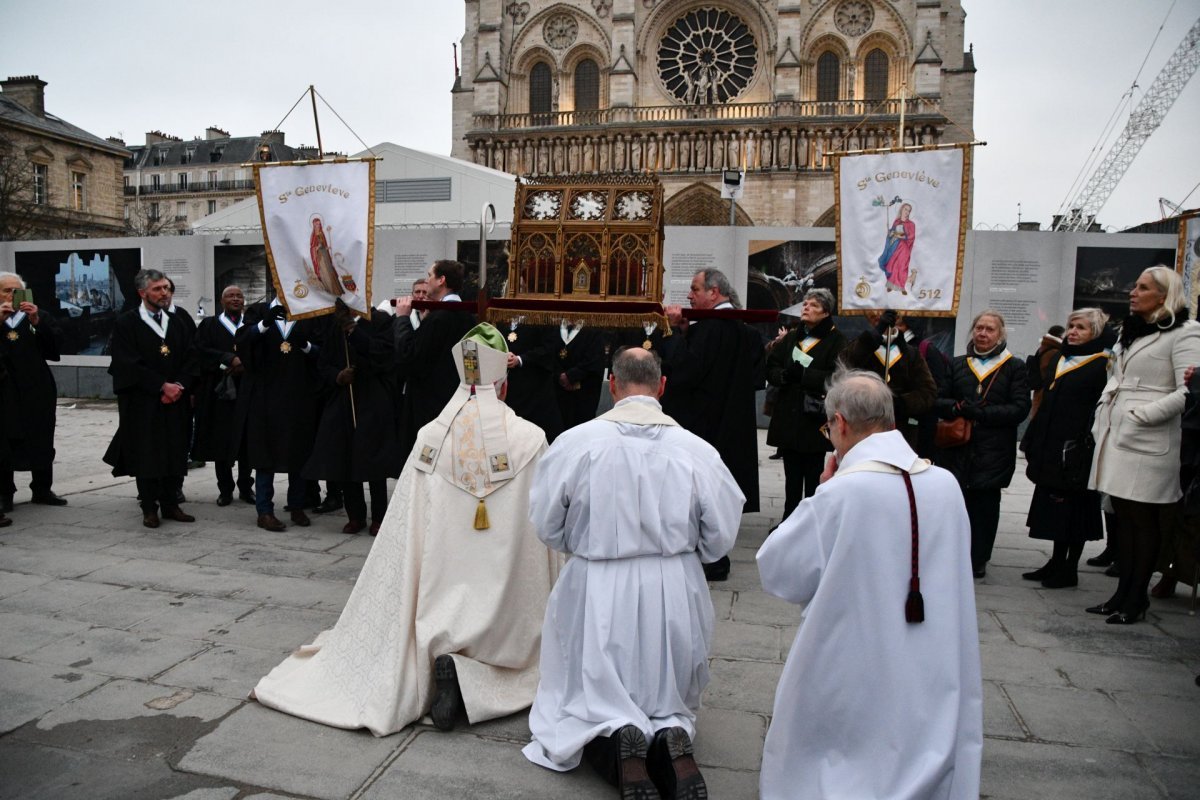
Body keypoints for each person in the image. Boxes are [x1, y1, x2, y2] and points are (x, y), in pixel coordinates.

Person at [254, 323, 560, 735]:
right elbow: (541, 523)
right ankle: (477, 674)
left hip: (438, 582)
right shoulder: (530, 438)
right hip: (504, 592)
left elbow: (406, 523)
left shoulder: (430, 437)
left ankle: (443, 658)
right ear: (503, 384)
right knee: (527, 648)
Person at [524, 347, 743, 799]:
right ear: (662, 386)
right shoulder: (697, 450)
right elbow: (720, 537)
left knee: (592, 685)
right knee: (666, 683)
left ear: (611, 384)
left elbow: (546, 523)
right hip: (674, 583)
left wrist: (585, 546)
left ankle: (619, 734)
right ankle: (668, 730)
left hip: (598, 581)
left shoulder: (576, 443)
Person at [756, 369, 982, 800]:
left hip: (855, 648)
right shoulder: (946, 484)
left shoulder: (842, 493)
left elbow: (779, 571)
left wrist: (824, 492)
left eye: (829, 430)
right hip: (932, 648)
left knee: (846, 738)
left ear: (840, 423)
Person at [1087, 266, 1200, 624]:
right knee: (1123, 515)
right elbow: (1117, 377)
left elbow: (1190, 390)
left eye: (1143, 287)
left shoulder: (1186, 332)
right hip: (1117, 432)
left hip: (1150, 438)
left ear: (1164, 296)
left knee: (1144, 520)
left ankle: (1136, 599)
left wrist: (1145, 415)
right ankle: (1121, 594)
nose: (1133, 292)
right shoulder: (1130, 332)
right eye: (1134, 286)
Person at [661, 268, 764, 581]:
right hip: (728, 422)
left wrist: (671, 333)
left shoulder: (712, 328)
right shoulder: (740, 327)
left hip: (705, 425)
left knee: (701, 493)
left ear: (714, 292)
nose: (689, 296)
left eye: (694, 289)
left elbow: (684, 371)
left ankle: (713, 559)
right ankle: (715, 554)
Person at [1020, 309, 1113, 589]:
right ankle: (1055, 561)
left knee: (1074, 510)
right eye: (1071, 327)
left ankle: (1069, 568)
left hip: (1077, 449)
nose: (1072, 332)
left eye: (1081, 328)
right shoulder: (1062, 357)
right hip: (1051, 444)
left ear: (1094, 333)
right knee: (1054, 507)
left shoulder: (1103, 364)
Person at [935, 309, 1030, 578]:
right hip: (956, 445)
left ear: (1000, 335)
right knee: (955, 503)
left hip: (993, 449)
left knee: (985, 506)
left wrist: (984, 414)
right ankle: (952, 554)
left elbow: (1020, 408)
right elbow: (937, 399)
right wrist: (957, 407)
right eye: (979, 328)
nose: (983, 333)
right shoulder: (956, 364)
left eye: (990, 329)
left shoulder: (1014, 367)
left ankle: (978, 558)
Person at [102, 269, 196, 528]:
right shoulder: (127, 323)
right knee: (148, 453)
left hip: (175, 399)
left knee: (175, 450)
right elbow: (127, 363)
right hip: (143, 402)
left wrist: (178, 385)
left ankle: (171, 504)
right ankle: (149, 507)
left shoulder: (176, 321)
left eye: (166, 287)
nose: (164, 293)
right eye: (158, 289)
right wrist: (160, 386)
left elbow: (191, 357)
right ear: (142, 293)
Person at [304, 303, 402, 535]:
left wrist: (354, 331)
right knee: (345, 457)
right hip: (343, 400)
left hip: (373, 398)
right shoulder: (334, 325)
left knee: (374, 459)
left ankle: (379, 517)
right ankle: (355, 515)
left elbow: (383, 354)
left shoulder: (379, 320)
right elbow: (323, 363)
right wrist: (337, 376)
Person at [231, 297, 326, 530]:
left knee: (298, 452)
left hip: (299, 395)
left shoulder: (310, 312)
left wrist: (306, 346)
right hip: (265, 396)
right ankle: (264, 511)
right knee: (265, 455)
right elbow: (242, 340)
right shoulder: (259, 311)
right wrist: (263, 325)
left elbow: (325, 352)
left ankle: (297, 506)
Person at [765, 287, 846, 518]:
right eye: (805, 304)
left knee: (812, 476)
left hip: (814, 417)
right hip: (789, 416)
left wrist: (804, 376)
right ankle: (788, 519)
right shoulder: (792, 336)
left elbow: (837, 377)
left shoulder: (837, 340)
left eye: (813, 305)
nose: (806, 308)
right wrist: (781, 376)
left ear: (825, 313)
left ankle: (811, 520)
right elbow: (772, 365)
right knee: (791, 477)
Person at [394, 260, 476, 459]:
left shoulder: (440, 317)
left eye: (430, 275)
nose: (427, 280)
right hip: (457, 402)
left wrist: (402, 319)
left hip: (429, 407)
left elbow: (409, 356)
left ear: (441, 280)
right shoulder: (467, 315)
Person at [0, 271, 67, 509]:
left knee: (42, 436)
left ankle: (42, 488)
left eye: (16, 291)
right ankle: (5, 493)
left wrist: (38, 322)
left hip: (37, 387)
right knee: (5, 442)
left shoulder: (37, 317)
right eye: (6, 291)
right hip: (6, 390)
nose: (12, 296)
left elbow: (55, 349)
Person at [190, 285, 254, 506]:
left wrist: (245, 364)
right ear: (221, 301)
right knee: (221, 441)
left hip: (247, 390)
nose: (236, 299)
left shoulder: (252, 325)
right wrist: (226, 360)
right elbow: (200, 350)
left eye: (239, 295)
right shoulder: (210, 325)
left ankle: (247, 487)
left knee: (246, 442)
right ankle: (225, 489)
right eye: (230, 296)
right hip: (219, 392)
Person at [839, 308, 937, 450]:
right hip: (865, 427)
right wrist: (876, 333)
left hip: (901, 431)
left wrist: (899, 403)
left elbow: (928, 392)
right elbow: (845, 364)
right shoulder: (861, 346)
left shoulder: (911, 354)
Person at [504, 321, 565, 442]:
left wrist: (520, 359)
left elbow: (548, 349)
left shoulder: (540, 316)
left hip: (535, 388)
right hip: (510, 387)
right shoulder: (504, 314)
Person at [552, 319, 605, 430]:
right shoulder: (553, 325)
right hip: (555, 391)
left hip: (582, 392)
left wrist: (571, 376)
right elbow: (547, 353)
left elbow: (595, 360)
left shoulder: (594, 329)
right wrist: (558, 376)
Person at [878, 202, 915, 294]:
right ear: (902, 209)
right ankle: (891, 285)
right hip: (894, 248)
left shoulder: (911, 224)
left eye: (909, 211)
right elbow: (891, 235)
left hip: (904, 249)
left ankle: (902, 287)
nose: (907, 212)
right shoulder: (896, 222)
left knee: (902, 266)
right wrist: (890, 232)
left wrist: (902, 236)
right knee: (893, 265)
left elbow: (911, 237)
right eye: (905, 209)